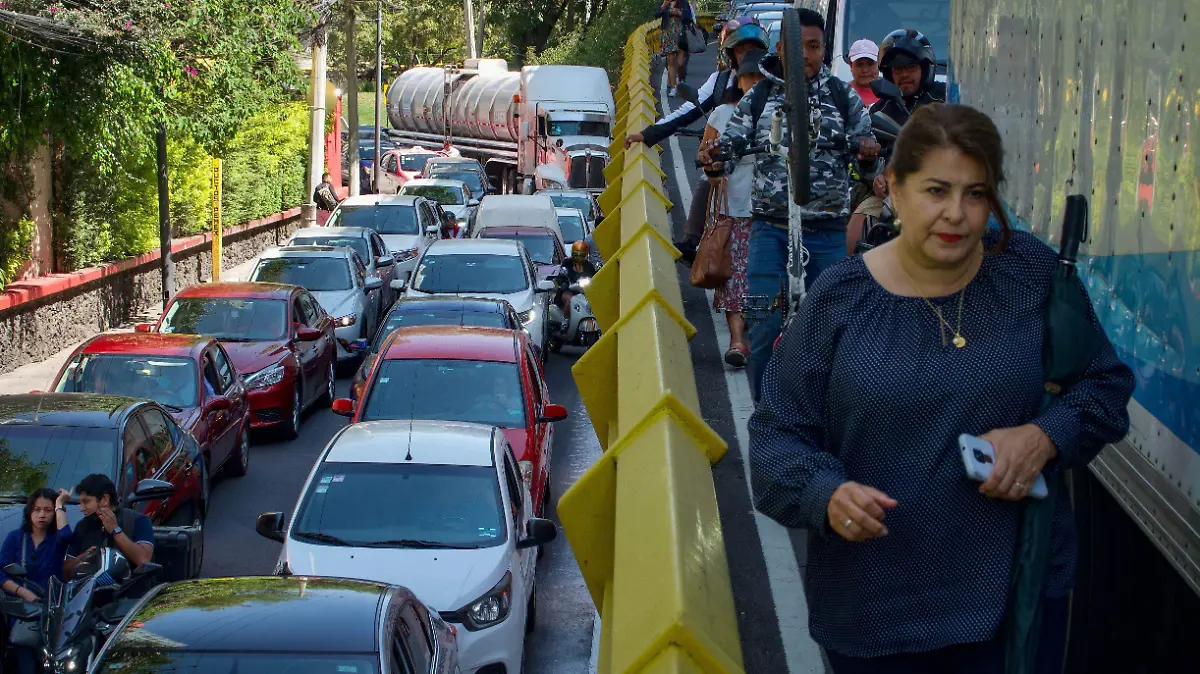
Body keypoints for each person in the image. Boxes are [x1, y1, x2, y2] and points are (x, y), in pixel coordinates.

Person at [748, 103, 1136, 673]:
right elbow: (776, 438)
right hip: (874, 612)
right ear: (895, 189)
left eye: (975, 193)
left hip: (1015, 605)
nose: (956, 213)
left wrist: (1045, 436)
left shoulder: (1029, 274)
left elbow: (1104, 386)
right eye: (936, 190)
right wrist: (826, 495)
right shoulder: (840, 300)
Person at [716, 8, 878, 401]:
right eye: (797, 45)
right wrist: (716, 156)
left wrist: (869, 154)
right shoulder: (757, 98)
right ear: (780, 48)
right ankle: (765, 412)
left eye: (814, 47)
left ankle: (824, 411)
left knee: (833, 326)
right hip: (770, 230)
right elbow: (731, 144)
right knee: (763, 321)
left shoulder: (842, 96)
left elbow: (868, 150)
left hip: (828, 229)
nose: (805, 55)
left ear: (824, 51)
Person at [625, 18, 770, 263]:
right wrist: (648, 135)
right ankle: (694, 241)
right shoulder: (720, 82)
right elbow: (686, 112)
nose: (746, 56)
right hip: (729, 164)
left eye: (752, 50)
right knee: (706, 181)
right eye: (740, 50)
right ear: (730, 54)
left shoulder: (777, 82)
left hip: (769, 170)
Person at [849, 29, 947, 253]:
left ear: (925, 67)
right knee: (855, 229)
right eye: (898, 70)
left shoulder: (945, 99)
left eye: (910, 67)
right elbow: (866, 165)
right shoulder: (879, 110)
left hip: (939, 191)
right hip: (892, 195)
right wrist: (875, 175)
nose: (904, 74)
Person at [698, 49, 766, 369]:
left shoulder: (778, 113)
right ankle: (737, 340)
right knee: (734, 277)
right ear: (738, 80)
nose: (753, 83)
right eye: (748, 77)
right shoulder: (722, 114)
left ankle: (758, 338)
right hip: (733, 208)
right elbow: (704, 154)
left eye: (759, 77)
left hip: (770, 211)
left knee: (763, 277)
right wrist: (714, 166)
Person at [0, 488, 72, 674]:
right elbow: (2, 575)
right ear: (29, 511)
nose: (42, 515)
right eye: (37, 509)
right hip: (24, 613)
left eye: (47, 510)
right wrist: (23, 592)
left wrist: (60, 505)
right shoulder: (15, 538)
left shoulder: (55, 539)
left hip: (52, 612)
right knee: (26, 666)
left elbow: (65, 535)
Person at [64, 474, 155, 577]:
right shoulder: (83, 527)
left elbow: (143, 560)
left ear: (104, 499)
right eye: (80, 502)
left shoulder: (138, 521)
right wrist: (82, 558)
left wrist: (116, 531)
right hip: (91, 591)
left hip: (132, 590)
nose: (81, 508)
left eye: (86, 502)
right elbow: (65, 571)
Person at [656, 0, 694, 97]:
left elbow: (689, 18)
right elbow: (656, 14)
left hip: (681, 35)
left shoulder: (684, 3)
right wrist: (664, 5)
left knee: (681, 63)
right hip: (668, 35)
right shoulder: (664, 2)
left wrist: (680, 13)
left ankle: (681, 80)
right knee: (671, 62)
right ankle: (673, 87)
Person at [558, 241, 598, 319]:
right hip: (569, 291)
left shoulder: (589, 266)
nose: (579, 258)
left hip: (585, 292)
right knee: (571, 300)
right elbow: (560, 275)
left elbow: (594, 278)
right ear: (572, 254)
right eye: (576, 255)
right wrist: (563, 283)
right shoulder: (567, 263)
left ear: (586, 255)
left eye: (581, 255)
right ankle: (565, 321)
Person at [846, 39, 880, 106]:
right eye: (859, 65)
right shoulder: (841, 93)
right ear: (851, 65)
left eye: (870, 64)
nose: (865, 70)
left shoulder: (891, 92)